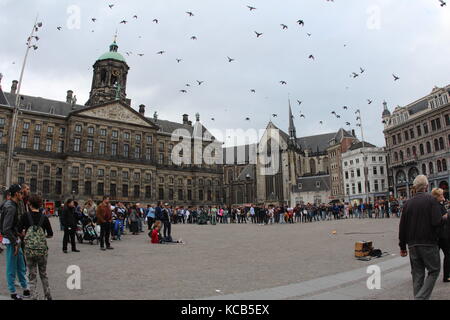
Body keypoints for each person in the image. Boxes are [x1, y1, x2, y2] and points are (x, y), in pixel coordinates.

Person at [399, 175, 448, 300]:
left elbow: (402, 226)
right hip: (428, 242)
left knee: (418, 275)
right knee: (434, 270)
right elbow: (436, 222)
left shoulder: (407, 203)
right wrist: (445, 218)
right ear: (426, 186)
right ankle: (420, 298)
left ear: (415, 187)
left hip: (412, 245)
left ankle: (419, 296)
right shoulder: (431, 200)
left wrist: (402, 246)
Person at [19, 194, 53, 300]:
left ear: (29, 204)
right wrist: (43, 236)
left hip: (29, 250)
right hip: (42, 251)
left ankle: (34, 296)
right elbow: (51, 234)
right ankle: (48, 295)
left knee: (32, 275)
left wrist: (25, 234)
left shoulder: (25, 216)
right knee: (43, 273)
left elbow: (19, 230)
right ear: (40, 204)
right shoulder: (44, 218)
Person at [0, 184, 30, 300]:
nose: (22, 194)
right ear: (16, 193)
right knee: (11, 267)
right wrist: (15, 242)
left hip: (14, 238)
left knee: (21, 265)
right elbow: (6, 228)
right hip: (11, 241)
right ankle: (12, 292)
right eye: (21, 192)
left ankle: (25, 289)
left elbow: (9, 226)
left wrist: (18, 233)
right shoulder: (11, 207)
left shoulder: (12, 204)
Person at [432, 188, 450, 282]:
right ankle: (446, 276)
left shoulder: (437, 205)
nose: (443, 198)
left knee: (434, 256)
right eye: (441, 195)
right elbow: (437, 221)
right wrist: (446, 216)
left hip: (439, 235)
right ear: (436, 196)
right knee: (448, 254)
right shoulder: (436, 206)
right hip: (442, 235)